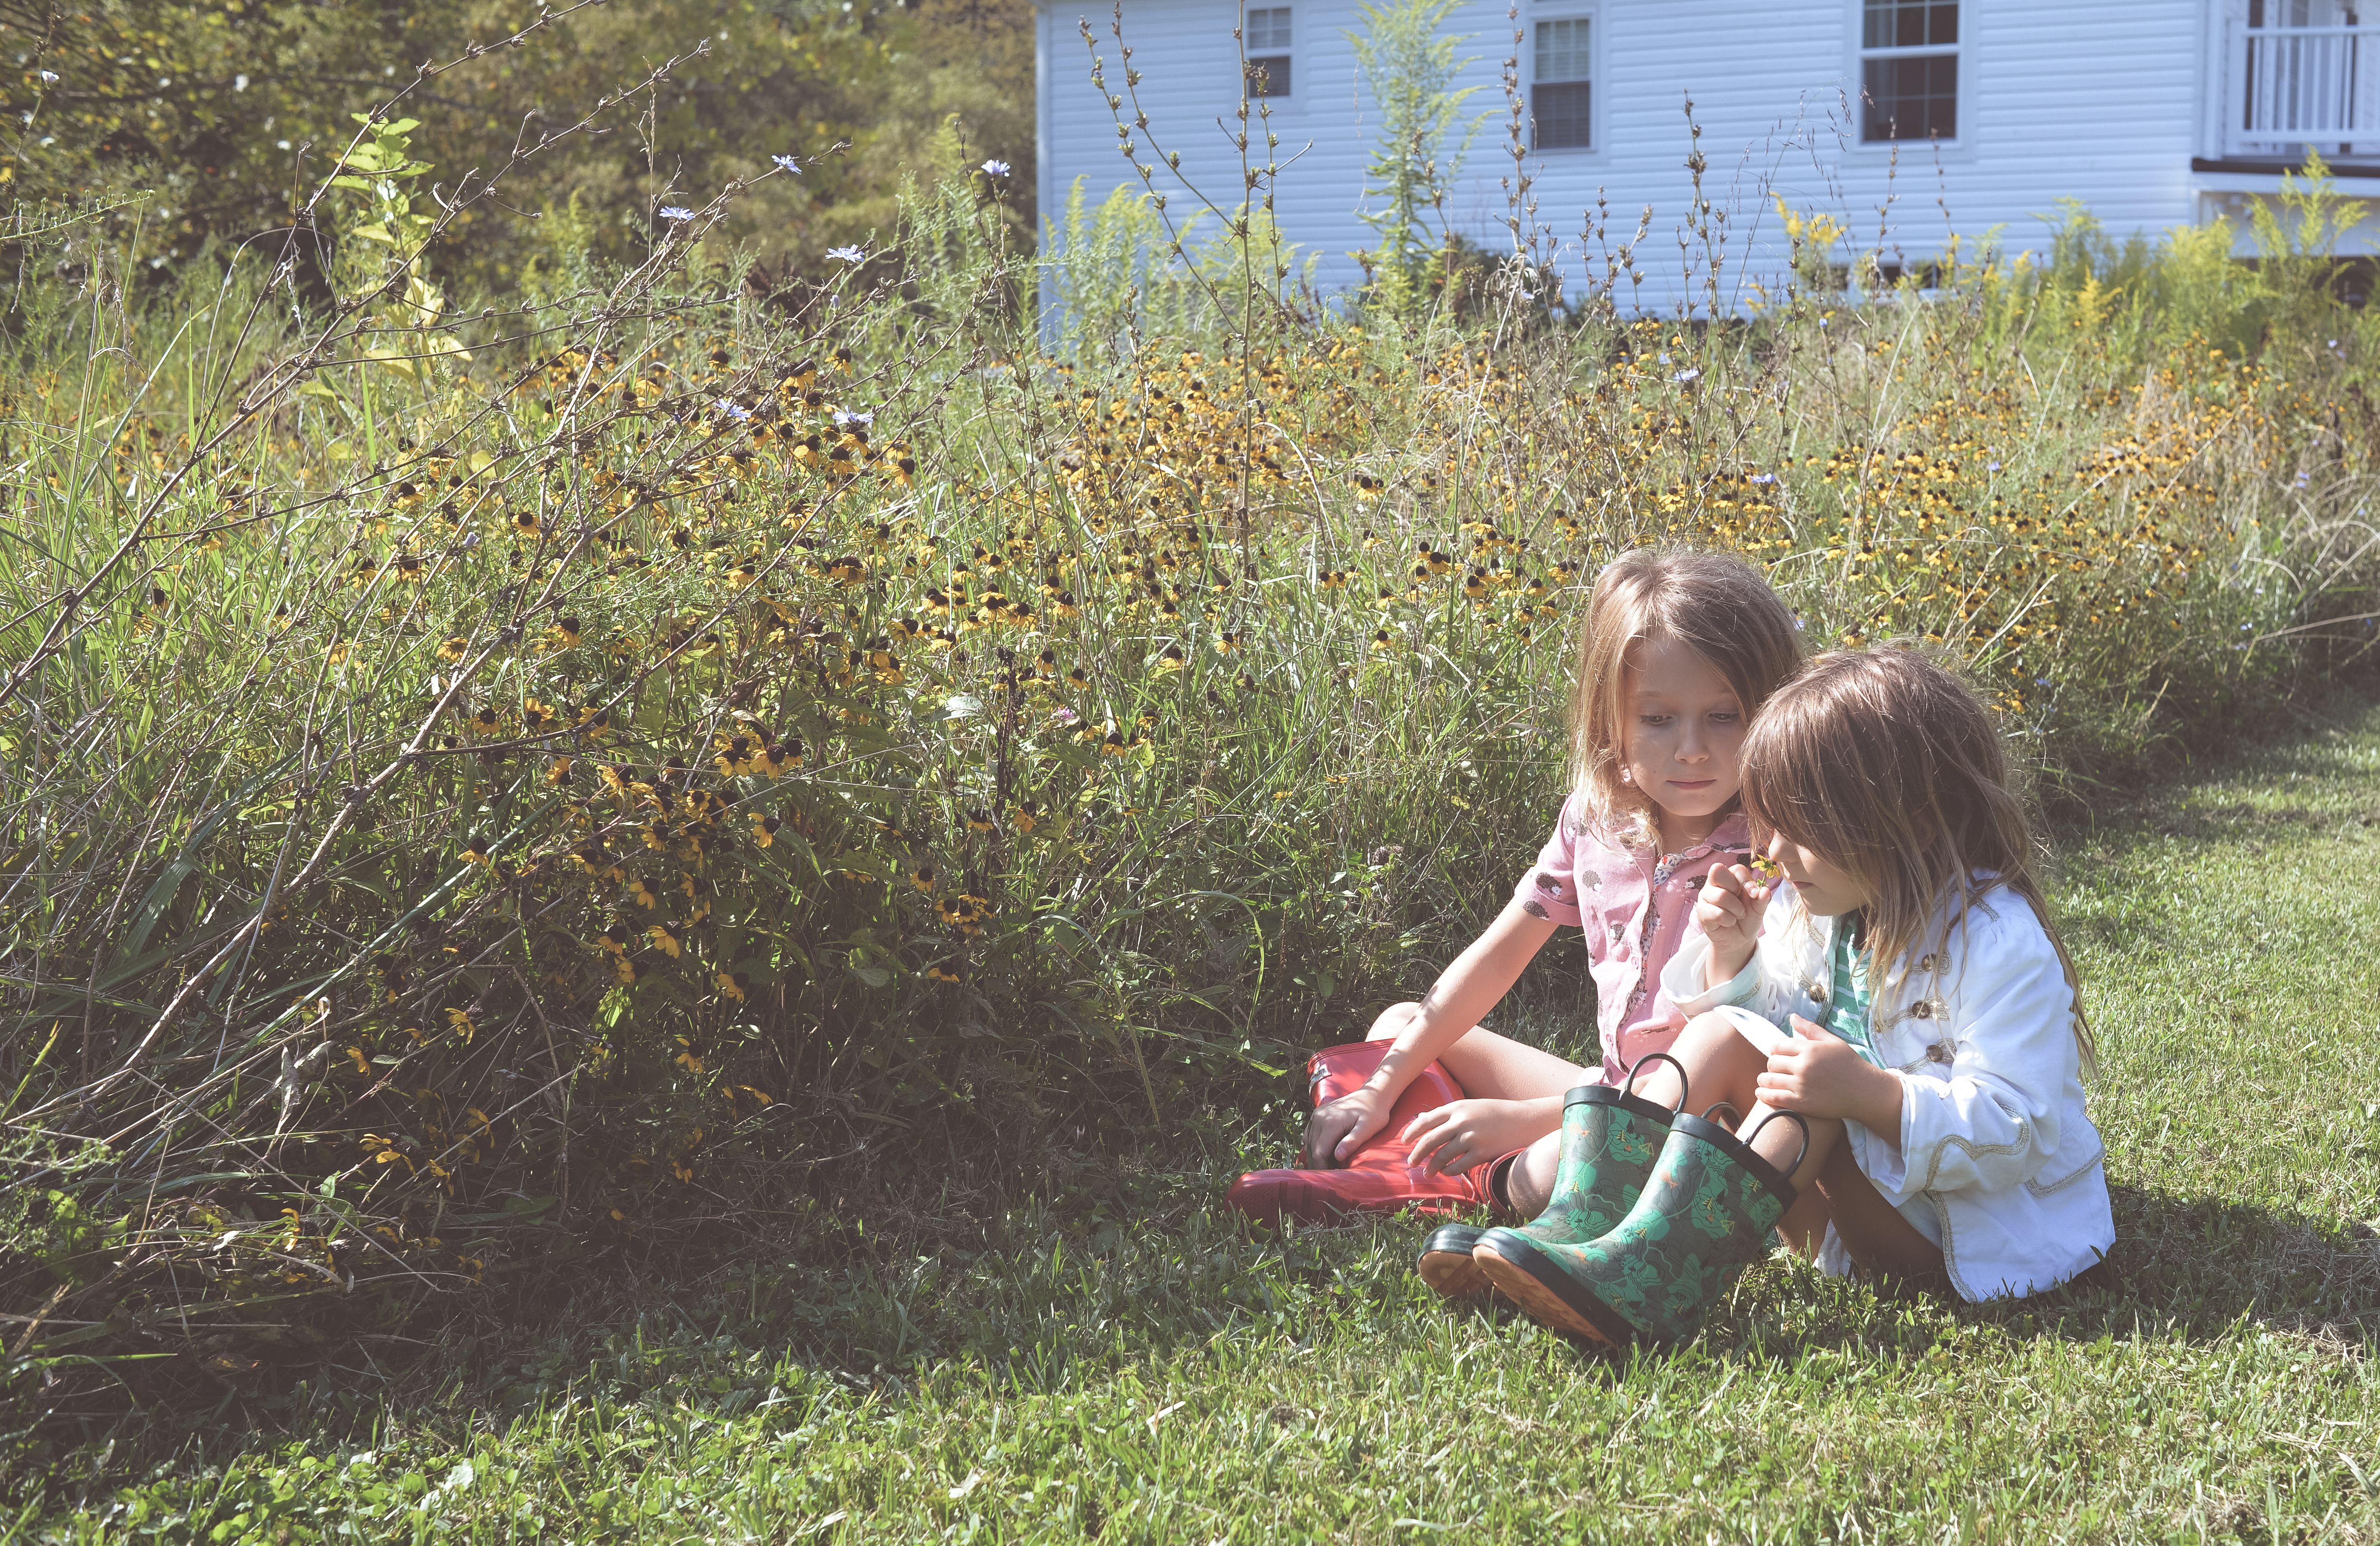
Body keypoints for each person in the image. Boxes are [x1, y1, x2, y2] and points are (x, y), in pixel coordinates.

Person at [1467, 648, 2115, 1346]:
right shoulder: (1816, 904)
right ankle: (1588, 1226)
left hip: (1954, 1233)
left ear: (1909, 819)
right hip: (1822, 1197)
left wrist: (1871, 1096)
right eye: (1766, 822)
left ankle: (1650, 1276)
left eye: (1799, 827)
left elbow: (2020, 1126)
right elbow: (1759, 1030)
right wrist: (1733, 952)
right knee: (1723, 1035)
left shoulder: (1996, 940)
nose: (1771, 850)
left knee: (1809, 1090)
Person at [1225, 549, 1804, 1261]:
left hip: (1706, 1122)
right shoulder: (1599, 820)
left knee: (1544, 1170)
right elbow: (1499, 958)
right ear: (1611, 719)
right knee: (1401, 1029)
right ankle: (1393, 1156)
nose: (1691, 749)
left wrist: (1523, 1119)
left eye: (1725, 716)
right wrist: (1377, 1089)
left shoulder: (1779, 850)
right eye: (1657, 718)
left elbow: (1732, 1059)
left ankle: (1445, 1180)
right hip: (1612, 1090)